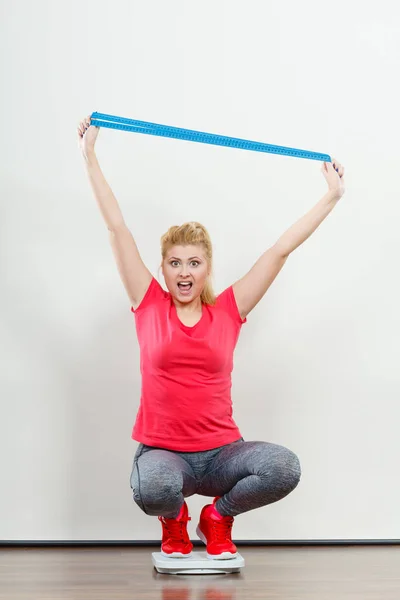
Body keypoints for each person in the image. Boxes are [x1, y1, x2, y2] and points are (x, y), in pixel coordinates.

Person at [77, 114, 345, 561]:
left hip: (223, 454)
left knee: (283, 467)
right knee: (152, 486)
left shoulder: (229, 309)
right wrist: (89, 156)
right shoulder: (148, 304)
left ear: (207, 267)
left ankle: (217, 519)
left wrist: (331, 197)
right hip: (165, 453)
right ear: (162, 268)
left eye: (194, 263)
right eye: (175, 263)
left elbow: (279, 250)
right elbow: (117, 228)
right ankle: (174, 519)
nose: (185, 272)